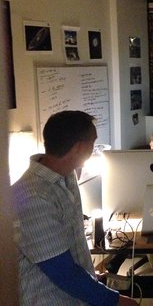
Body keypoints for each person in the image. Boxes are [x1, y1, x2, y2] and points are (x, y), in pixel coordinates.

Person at [12, 110, 138, 306]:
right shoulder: (33, 197)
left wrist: (90, 274)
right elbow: (62, 272)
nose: (94, 148)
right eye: (93, 142)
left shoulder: (66, 175)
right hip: (47, 299)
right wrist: (115, 301)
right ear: (79, 148)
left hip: (73, 296)